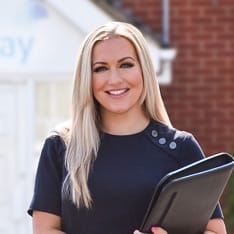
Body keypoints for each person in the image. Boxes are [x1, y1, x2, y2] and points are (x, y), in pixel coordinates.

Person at [28, 21, 227, 234]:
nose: (114, 79)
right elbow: (45, 230)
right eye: (101, 68)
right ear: (87, 77)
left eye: (126, 65)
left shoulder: (180, 148)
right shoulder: (61, 146)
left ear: (144, 69)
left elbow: (215, 231)